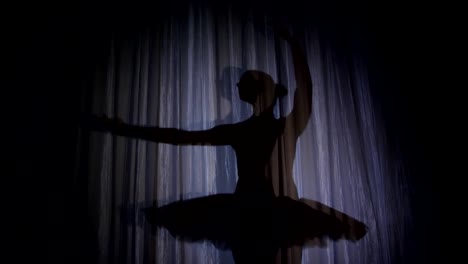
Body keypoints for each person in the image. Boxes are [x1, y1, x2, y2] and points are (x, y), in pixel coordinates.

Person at [84, 23, 365, 263]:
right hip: (264, 211)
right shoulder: (274, 128)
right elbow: (180, 137)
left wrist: (123, 129)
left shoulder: (267, 128)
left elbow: (179, 137)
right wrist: (291, 43)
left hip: (256, 210)